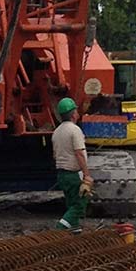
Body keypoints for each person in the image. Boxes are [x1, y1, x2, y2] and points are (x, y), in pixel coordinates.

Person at [51, 97, 91, 233]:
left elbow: (55, 155)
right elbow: (79, 153)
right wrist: (86, 175)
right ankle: (59, 230)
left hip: (62, 174)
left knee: (71, 204)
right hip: (73, 174)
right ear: (74, 114)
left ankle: (74, 234)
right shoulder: (75, 130)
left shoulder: (56, 132)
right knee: (79, 205)